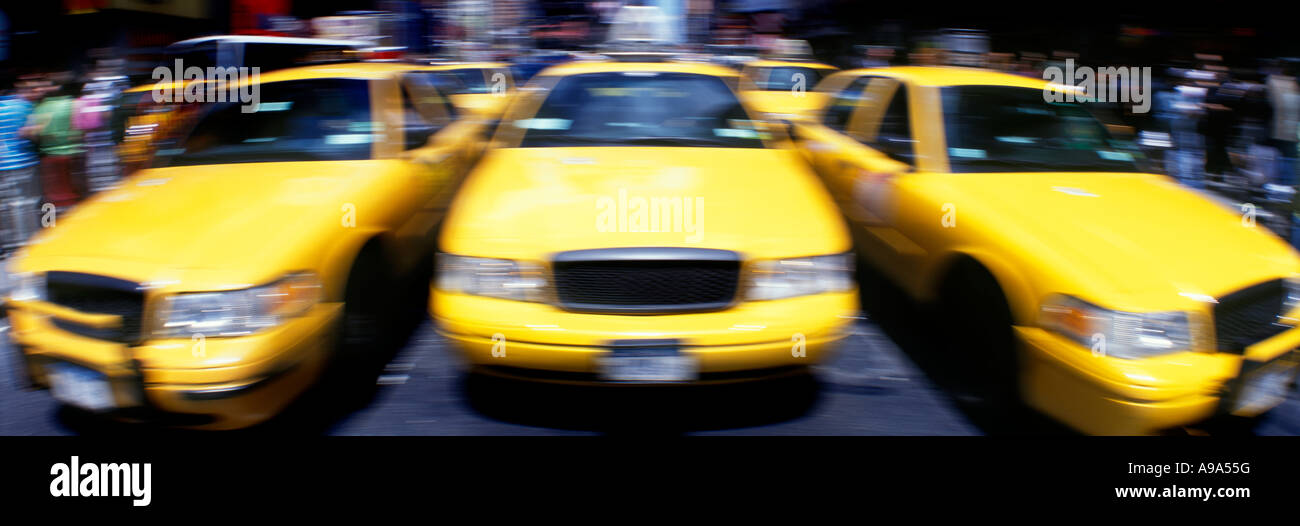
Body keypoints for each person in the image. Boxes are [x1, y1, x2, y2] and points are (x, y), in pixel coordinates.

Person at [23, 73, 84, 209]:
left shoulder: (38, 108)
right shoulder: (72, 104)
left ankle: (52, 224)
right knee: (76, 191)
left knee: (52, 196)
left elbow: (35, 133)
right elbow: (80, 129)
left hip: (49, 157)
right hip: (73, 154)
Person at [0, 74, 42, 255]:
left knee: (8, 204)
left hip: (3, 164)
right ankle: (30, 243)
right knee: (29, 203)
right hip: (25, 162)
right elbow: (32, 133)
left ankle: (11, 245)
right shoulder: (24, 106)